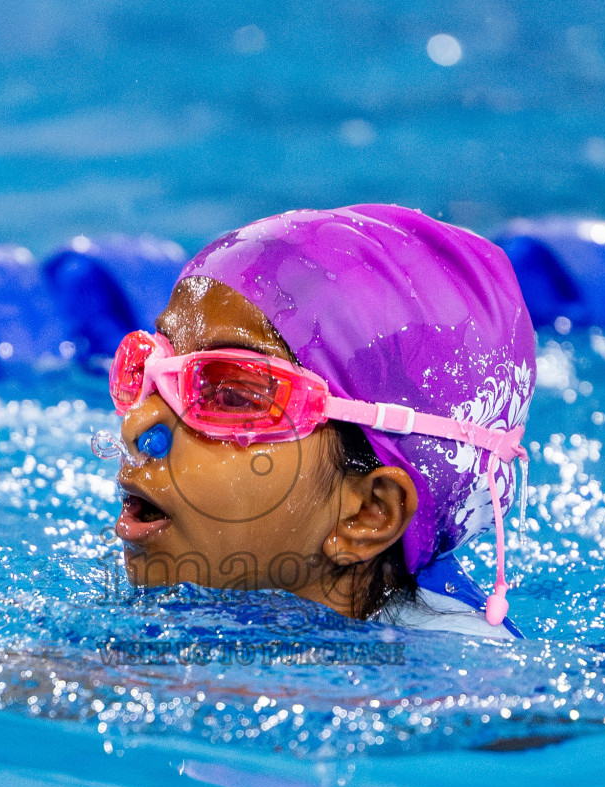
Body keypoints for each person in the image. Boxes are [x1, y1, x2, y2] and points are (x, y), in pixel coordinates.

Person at [101, 204, 536, 638]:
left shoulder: (452, 687)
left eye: (230, 394)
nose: (138, 425)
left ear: (369, 513)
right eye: (145, 367)